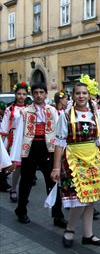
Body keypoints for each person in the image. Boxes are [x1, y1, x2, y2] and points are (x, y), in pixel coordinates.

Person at [51, 77, 100, 248]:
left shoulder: (95, 114)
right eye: (78, 93)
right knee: (79, 198)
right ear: (73, 95)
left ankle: (88, 234)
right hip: (73, 159)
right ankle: (70, 229)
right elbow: (59, 142)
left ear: (89, 95)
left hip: (93, 158)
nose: (81, 96)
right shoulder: (66, 115)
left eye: (84, 93)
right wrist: (56, 167)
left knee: (91, 198)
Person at [11, 82, 67, 227]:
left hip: (48, 148)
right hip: (29, 148)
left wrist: (61, 151)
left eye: (41, 92)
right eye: (36, 93)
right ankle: (21, 210)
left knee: (53, 181)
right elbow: (19, 135)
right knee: (26, 181)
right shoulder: (24, 112)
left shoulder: (52, 111)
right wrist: (16, 156)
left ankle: (57, 215)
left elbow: (59, 132)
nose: (39, 95)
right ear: (32, 94)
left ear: (46, 94)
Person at [0, 82, 30, 202]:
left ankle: (24, 192)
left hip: (28, 140)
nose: (21, 96)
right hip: (14, 140)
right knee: (16, 166)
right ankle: (13, 189)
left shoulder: (30, 109)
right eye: (19, 94)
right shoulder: (9, 110)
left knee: (27, 168)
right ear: (15, 94)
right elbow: (4, 129)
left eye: (24, 94)